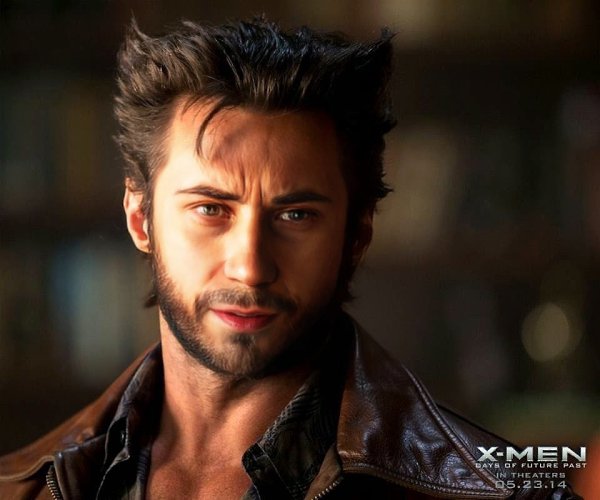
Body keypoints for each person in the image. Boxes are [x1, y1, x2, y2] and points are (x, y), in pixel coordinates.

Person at [0, 17, 582, 500]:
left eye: (296, 215)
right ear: (140, 219)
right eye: (210, 209)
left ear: (356, 235)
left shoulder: (502, 492)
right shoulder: (24, 485)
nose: (250, 267)